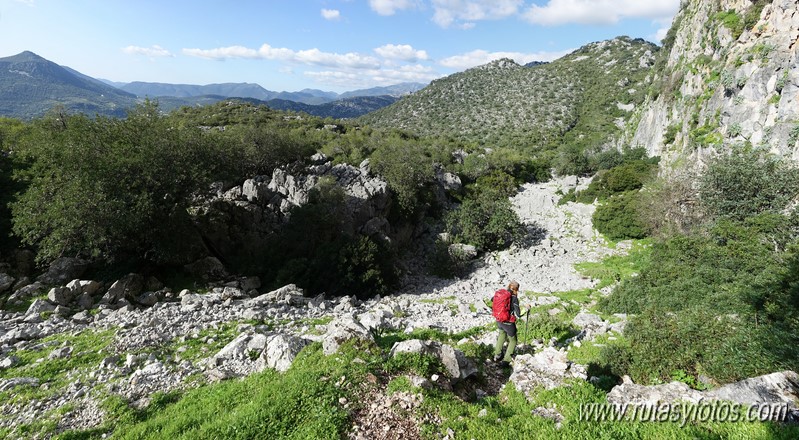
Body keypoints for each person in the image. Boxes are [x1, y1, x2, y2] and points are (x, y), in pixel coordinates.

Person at [491, 280, 522, 367]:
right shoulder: (514, 298)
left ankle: (497, 355)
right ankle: (506, 360)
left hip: (499, 320)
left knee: (502, 334)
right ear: (516, 289)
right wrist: (526, 308)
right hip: (508, 322)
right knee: (513, 340)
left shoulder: (501, 294)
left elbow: (492, 299)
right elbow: (519, 314)